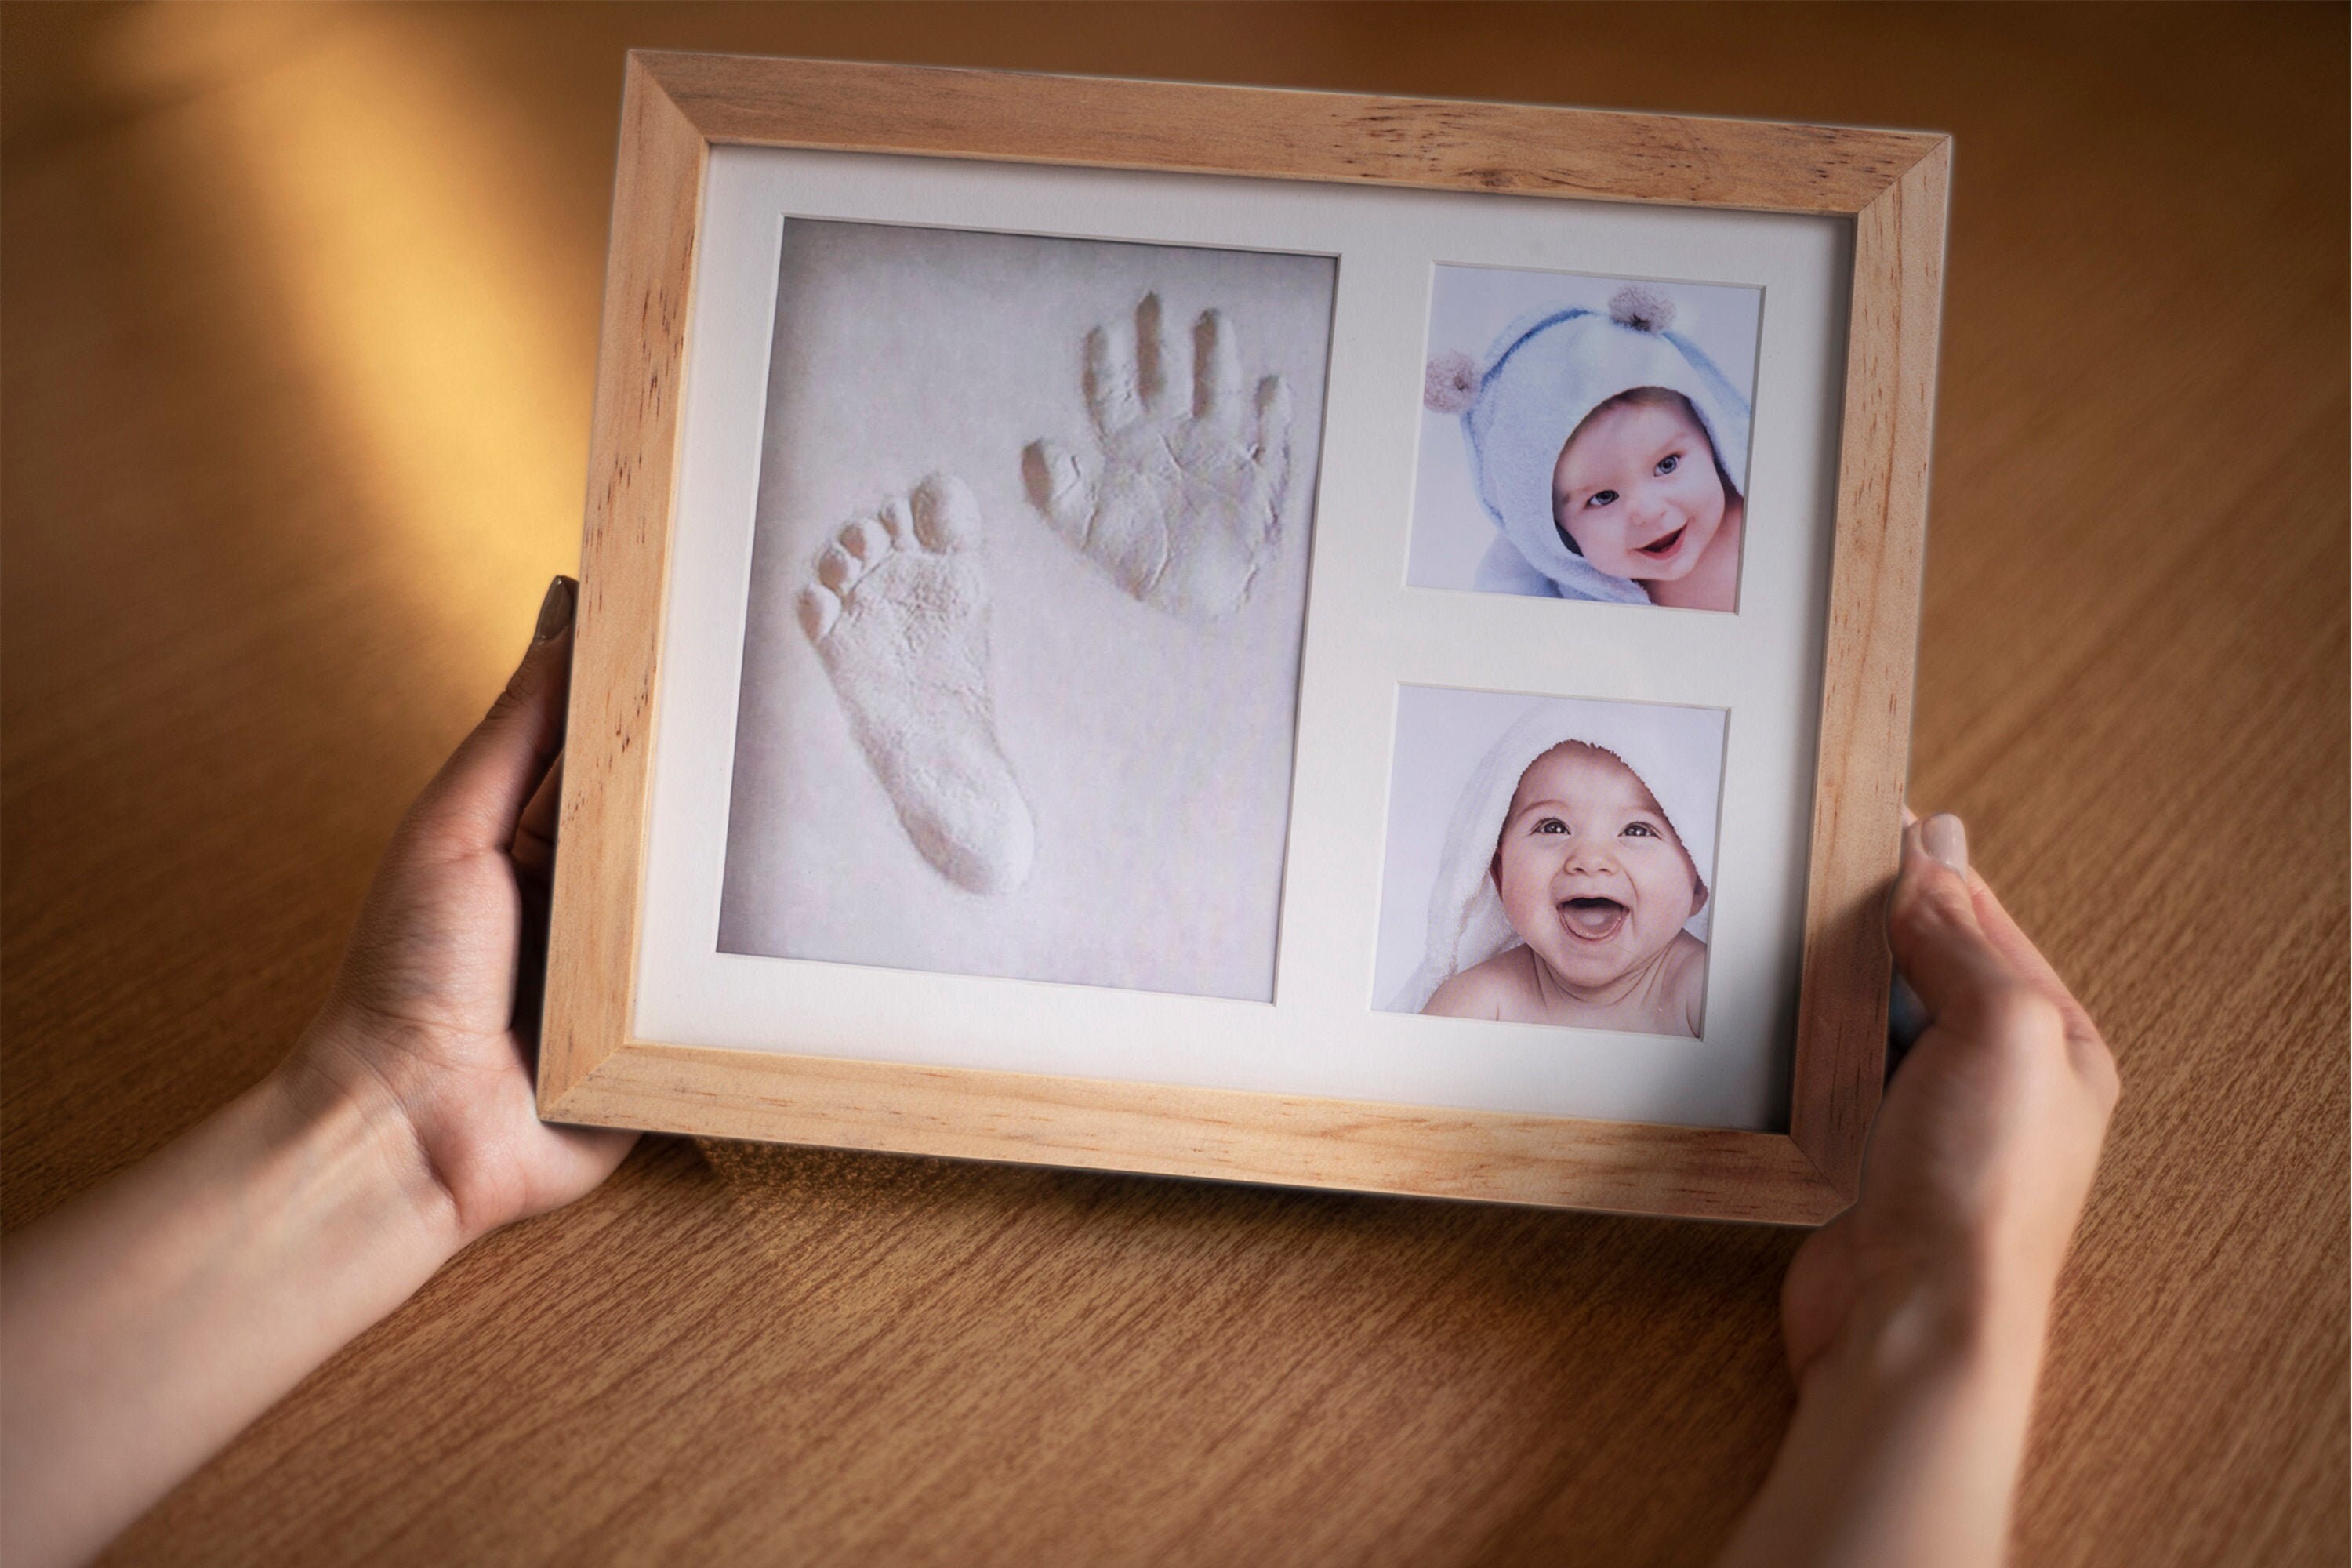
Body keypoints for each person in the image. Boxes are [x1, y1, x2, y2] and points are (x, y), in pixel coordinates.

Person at [0, 579, 2120, 1568]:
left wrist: (389, 1119)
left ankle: (1118, 769)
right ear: (1478, 878)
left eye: (1650, 829)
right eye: (1548, 827)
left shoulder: (1717, 1020)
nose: (1599, 859)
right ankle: (1122, 777)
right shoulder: (1473, 1009)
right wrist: (1936, 1317)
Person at [1423, 283, 1751, 611]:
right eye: (1603, 498)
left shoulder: (1760, 529)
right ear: (1555, 530)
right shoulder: (1565, 589)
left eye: (1667, 464)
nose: (1648, 511)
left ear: (1711, 436)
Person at [1410, 703, 1714, 1036]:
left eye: (1637, 830)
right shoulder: (1479, 1004)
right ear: (1499, 873)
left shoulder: (1706, 992)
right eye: (1554, 827)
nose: (1590, 858)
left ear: (1698, 883)